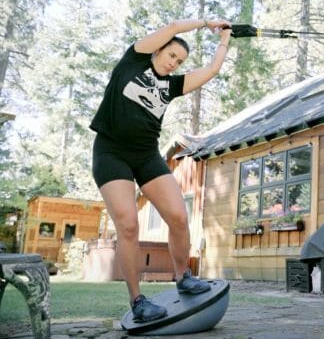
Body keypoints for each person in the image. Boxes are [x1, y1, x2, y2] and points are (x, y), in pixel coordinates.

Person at [89, 18, 232, 322]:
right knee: (128, 225)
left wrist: (224, 40)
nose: (173, 63)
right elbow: (172, 28)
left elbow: (211, 71)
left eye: (179, 61)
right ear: (157, 51)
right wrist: (207, 23)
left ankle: (184, 277)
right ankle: (138, 301)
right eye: (171, 55)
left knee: (179, 217)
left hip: (146, 155)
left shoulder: (171, 85)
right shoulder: (133, 61)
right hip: (111, 151)